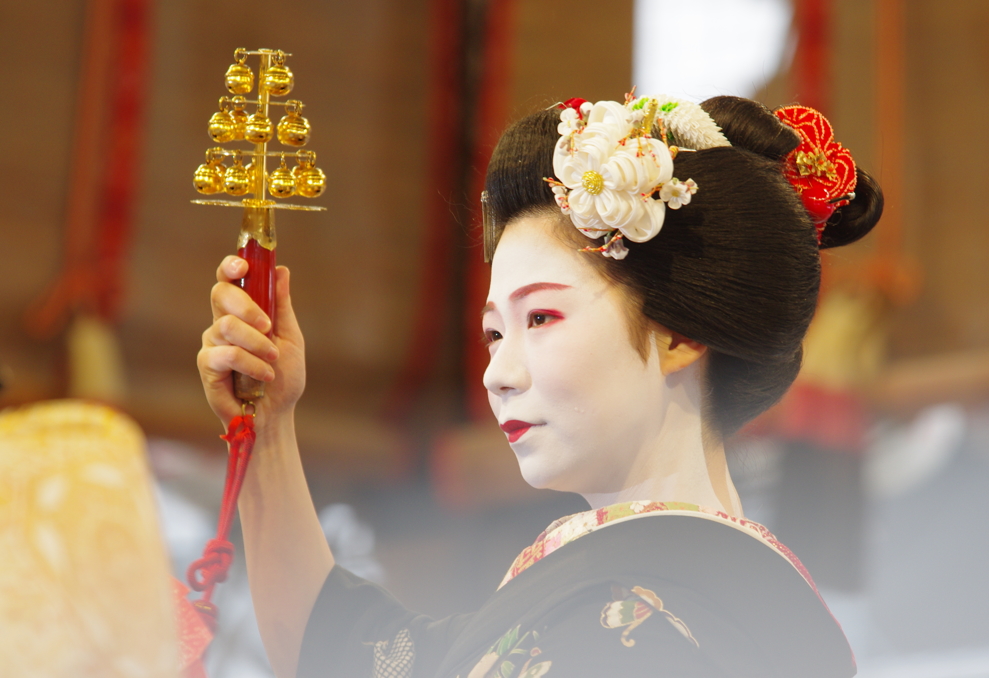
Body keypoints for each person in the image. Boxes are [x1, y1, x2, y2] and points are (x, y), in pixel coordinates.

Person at [198, 93, 882, 678]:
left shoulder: (654, 622)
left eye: (543, 317)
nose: (500, 373)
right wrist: (268, 422)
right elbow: (339, 648)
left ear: (680, 335)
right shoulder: (635, 593)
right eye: (496, 333)